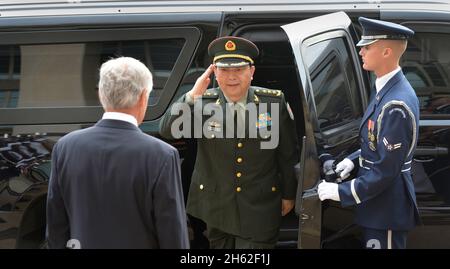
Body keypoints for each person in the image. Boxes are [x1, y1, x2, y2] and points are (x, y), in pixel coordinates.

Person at [159, 36, 298, 248]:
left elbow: (287, 154)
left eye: (239, 70)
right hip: (216, 210)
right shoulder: (203, 103)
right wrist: (192, 95)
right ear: (214, 72)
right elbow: (167, 130)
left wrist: (289, 195)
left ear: (251, 72)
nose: (231, 77)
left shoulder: (273, 102)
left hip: (259, 209)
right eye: (224, 70)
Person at [46, 57, 189, 249]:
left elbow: (56, 227)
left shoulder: (65, 147)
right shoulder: (162, 155)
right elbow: (172, 232)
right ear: (143, 96)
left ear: (101, 95)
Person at [318, 17, 420, 249]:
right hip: (378, 204)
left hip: (387, 207)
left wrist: (341, 191)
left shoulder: (396, 103)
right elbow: (376, 146)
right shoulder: (385, 88)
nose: (361, 51)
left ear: (386, 52)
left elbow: (386, 170)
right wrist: (352, 161)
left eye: (367, 46)